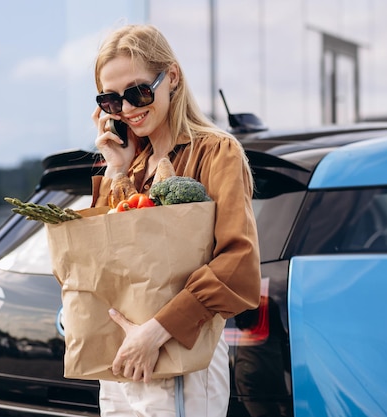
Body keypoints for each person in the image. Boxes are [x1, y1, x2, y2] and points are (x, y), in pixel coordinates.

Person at [91, 24, 261, 416]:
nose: (128, 110)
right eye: (111, 101)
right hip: (122, 358)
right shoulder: (129, 164)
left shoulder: (217, 153)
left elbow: (238, 264)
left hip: (181, 355)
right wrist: (115, 170)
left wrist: (156, 331)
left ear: (172, 76)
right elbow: (101, 258)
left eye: (138, 93)